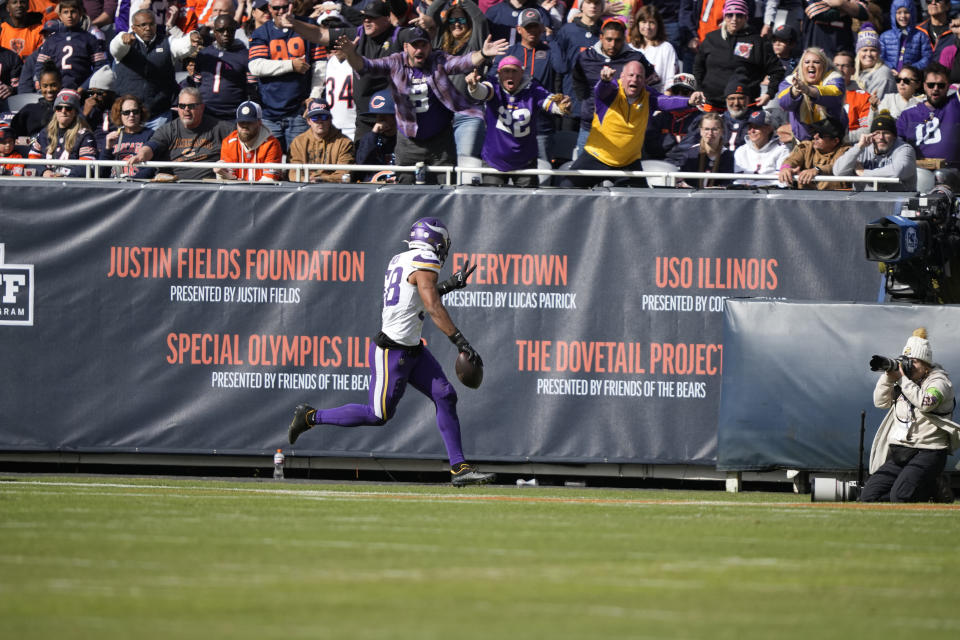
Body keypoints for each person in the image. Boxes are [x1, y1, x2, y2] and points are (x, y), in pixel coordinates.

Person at [287, 217, 496, 488]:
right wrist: (461, 342)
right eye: (443, 242)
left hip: (412, 349)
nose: (444, 249)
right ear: (434, 240)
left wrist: (449, 285)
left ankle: (459, 468)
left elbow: (418, 294)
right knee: (378, 415)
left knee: (445, 395)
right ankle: (310, 416)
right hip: (392, 352)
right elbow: (431, 306)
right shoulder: (425, 260)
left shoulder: (402, 258)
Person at [335, 26, 509, 184]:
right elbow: (366, 67)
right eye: (415, 45)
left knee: (446, 187)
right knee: (404, 190)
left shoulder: (438, 60)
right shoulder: (395, 62)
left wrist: (484, 54)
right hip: (408, 140)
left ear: (430, 47)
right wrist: (351, 54)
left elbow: (463, 62)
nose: (419, 50)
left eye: (423, 45)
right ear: (405, 47)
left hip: (440, 141)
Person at [560, 61, 704, 188]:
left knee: (640, 201)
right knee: (567, 188)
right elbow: (601, 90)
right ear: (621, 77)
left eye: (639, 76)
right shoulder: (611, 90)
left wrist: (688, 101)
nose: (634, 79)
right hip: (597, 157)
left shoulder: (648, 96)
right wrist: (604, 81)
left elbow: (666, 101)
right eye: (630, 75)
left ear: (644, 81)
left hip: (628, 162)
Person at [277, 0, 401, 143]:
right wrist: (294, 23)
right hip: (362, 118)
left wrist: (430, 27)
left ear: (387, 18)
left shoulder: (398, 36)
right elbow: (319, 34)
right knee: (364, 160)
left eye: (372, 17)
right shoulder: (357, 34)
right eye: (365, 17)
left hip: (393, 115)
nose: (367, 21)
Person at [861, 327, 959, 503]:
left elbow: (925, 403)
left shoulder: (940, 382)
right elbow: (880, 402)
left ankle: (931, 486)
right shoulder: (905, 381)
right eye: (907, 361)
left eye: (915, 362)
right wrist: (889, 377)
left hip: (930, 451)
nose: (909, 366)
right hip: (901, 451)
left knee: (899, 497)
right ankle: (926, 485)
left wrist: (902, 379)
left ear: (926, 365)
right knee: (868, 497)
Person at [466, 55, 571, 186]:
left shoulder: (533, 88)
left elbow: (549, 102)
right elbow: (482, 92)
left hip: (525, 161)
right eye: (506, 71)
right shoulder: (494, 85)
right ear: (499, 73)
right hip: (494, 160)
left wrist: (562, 106)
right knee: (492, 203)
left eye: (514, 71)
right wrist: (474, 87)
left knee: (526, 204)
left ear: (522, 73)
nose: (510, 75)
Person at [570, 18, 656, 154]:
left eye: (618, 40)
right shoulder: (585, 57)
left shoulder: (636, 58)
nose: (613, 44)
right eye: (609, 39)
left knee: (623, 172)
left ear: (624, 39)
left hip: (623, 128)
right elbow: (577, 79)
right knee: (584, 172)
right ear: (601, 37)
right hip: (591, 126)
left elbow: (652, 77)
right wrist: (585, 100)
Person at [492, 9, 563, 167]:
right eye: (527, 27)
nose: (532, 31)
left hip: (541, 125)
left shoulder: (549, 51)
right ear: (519, 29)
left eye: (535, 26)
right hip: (511, 125)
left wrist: (550, 38)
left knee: (543, 172)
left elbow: (561, 67)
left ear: (541, 28)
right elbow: (493, 79)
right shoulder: (508, 52)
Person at [248, 0, 319, 152]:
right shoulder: (261, 32)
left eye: (285, 7)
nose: (281, 11)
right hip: (269, 112)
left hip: (299, 111)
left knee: (298, 167)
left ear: (292, 5)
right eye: (276, 8)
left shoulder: (308, 26)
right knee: (270, 166)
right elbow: (256, 66)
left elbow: (320, 65)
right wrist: (291, 65)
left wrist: (315, 95)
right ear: (269, 8)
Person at [112, 9, 200, 130]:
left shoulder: (166, 42)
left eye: (151, 24)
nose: (148, 28)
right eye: (143, 25)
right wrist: (122, 40)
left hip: (159, 116)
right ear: (134, 28)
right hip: (129, 115)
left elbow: (182, 46)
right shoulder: (125, 43)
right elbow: (115, 48)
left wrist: (192, 37)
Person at [692, 0, 783, 112]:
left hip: (745, 109)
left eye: (739, 15)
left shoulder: (757, 42)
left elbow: (777, 70)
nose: (734, 19)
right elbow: (698, 68)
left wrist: (769, 94)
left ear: (746, 17)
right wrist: (698, 89)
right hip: (713, 106)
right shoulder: (711, 39)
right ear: (724, 16)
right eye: (729, 15)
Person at [427, 0, 490, 161]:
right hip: (440, 114)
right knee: (441, 162)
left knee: (464, 161)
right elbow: (431, 14)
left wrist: (463, 1)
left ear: (468, 22)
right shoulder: (438, 43)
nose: (457, 24)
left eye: (461, 20)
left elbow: (480, 20)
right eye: (452, 20)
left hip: (468, 114)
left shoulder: (475, 43)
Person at [126, 87, 235, 179]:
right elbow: (152, 146)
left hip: (207, 190)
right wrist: (141, 155)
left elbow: (244, 136)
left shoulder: (219, 127)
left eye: (191, 106)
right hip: (175, 187)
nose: (186, 110)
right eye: (182, 106)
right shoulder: (169, 129)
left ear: (202, 107)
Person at [832, 110, 916, 190]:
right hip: (863, 201)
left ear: (894, 136)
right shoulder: (861, 149)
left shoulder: (905, 149)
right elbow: (838, 172)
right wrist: (858, 147)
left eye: (886, 133)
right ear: (871, 135)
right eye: (877, 133)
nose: (881, 137)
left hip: (896, 201)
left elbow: (898, 171)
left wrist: (863, 173)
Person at [897, 62, 960, 169]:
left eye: (941, 85)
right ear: (924, 86)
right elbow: (895, 145)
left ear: (948, 86)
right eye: (931, 85)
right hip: (917, 173)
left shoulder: (955, 104)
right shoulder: (907, 115)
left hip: (951, 174)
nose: (935, 88)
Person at [33, 0, 108, 89]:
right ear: (60, 16)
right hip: (56, 91)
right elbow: (40, 67)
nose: (69, 16)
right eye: (65, 12)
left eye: (73, 12)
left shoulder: (90, 39)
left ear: (80, 14)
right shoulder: (51, 41)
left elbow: (100, 67)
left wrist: (84, 87)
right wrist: (49, 86)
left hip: (82, 91)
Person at [195, 15, 256, 121]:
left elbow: (252, 88)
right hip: (206, 113)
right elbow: (197, 82)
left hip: (232, 114)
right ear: (214, 31)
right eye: (221, 30)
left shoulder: (245, 55)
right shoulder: (204, 54)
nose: (226, 34)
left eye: (230, 30)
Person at [777, 46, 845, 141]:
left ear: (824, 65)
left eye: (816, 62)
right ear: (801, 65)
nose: (811, 65)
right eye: (807, 62)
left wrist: (808, 90)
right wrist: (795, 90)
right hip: (803, 143)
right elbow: (784, 103)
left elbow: (834, 94)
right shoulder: (791, 80)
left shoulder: (835, 78)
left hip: (831, 143)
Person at [28, 88, 98, 177]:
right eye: (59, 108)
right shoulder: (45, 133)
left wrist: (66, 178)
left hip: (71, 185)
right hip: (46, 183)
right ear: (55, 111)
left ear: (75, 112)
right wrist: (44, 172)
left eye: (68, 108)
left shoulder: (85, 136)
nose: (63, 111)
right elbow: (33, 157)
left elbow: (87, 165)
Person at [287, 98, 354, 182]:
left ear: (330, 120)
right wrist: (307, 180)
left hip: (334, 188)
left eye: (324, 117)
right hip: (304, 187)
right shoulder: (298, 142)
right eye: (315, 118)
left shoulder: (345, 143)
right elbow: (293, 173)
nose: (320, 122)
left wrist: (321, 179)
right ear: (308, 121)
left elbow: (344, 175)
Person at [215, 100, 283, 180]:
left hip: (263, 191)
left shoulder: (271, 144)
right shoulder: (229, 143)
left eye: (249, 122)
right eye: (241, 122)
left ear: (259, 122)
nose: (244, 126)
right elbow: (230, 179)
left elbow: (269, 180)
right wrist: (222, 174)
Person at [777, 116, 850, 189]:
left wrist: (817, 170)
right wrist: (786, 168)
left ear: (835, 141)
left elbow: (837, 166)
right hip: (804, 197)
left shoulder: (846, 151)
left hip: (835, 197)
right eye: (815, 132)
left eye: (821, 135)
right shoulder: (806, 147)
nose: (815, 137)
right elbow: (792, 160)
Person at [100, 93, 156, 178]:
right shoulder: (113, 137)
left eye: (135, 111)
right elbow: (101, 172)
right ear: (120, 115)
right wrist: (107, 149)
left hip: (138, 185)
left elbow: (151, 168)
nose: (131, 115)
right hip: (114, 184)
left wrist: (131, 181)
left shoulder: (151, 135)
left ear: (141, 113)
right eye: (126, 112)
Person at [628, 4, 676, 94]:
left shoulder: (666, 48)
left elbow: (670, 84)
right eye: (643, 22)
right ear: (637, 23)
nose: (647, 27)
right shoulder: (630, 48)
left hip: (657, 100)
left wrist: (664, 105)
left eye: (652, 22)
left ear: (658, 25)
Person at [733, 108, 789, 186]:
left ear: (769, 129)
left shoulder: (782, 150)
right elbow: (738, 181)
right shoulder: (741, 151)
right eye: (750, 127)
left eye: (756, 127)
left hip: (772, 194)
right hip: (746, 194)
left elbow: (781, 182)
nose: (752, 131)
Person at [678, 112, 735, 187]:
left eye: (715, 129)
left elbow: (726, 184)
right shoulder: (691, 153)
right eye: (706, 129)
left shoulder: (727, 156)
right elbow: (684, 181)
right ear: (701, 131)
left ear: (721, 131)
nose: (710, 133)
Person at [353, 88, 397, 182]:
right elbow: (361, 163)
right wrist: (374, 134)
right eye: (377, 115)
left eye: (385, 115)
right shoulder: (369, 138)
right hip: (372, 188)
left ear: (396, 116)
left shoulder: (405, 140)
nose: (380, 119)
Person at [800, 0, 868, 58]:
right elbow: (815, 12)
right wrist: (848, 8)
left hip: (843, 51)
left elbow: (864, 11)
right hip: (815, 50)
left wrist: (841, 3)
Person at [879, 0, 932, 72]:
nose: (903, 16)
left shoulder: (921, 36)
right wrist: (890, 68)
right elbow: (880, 58)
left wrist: (910, 70)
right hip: (890, 76)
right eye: (899, 12)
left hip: (911, 77)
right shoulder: (884, 37)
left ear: (912, 14)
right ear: (893, 14)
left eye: (906, 12)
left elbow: (927, 58)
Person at [831, 49, 872, 142]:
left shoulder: (863, 97)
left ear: (853, 70)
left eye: (845, 66)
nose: (839, 69)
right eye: (836, 65)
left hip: (850, 144)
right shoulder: (819, 93)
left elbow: (866, 129)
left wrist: (843, 138)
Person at [10, 60, 59, 136]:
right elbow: (12, 136)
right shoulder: (29, 110)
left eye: (53, 85)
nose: (49, 90)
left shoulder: (67, 110)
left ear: (60, 84)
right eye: (45, 86)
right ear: (40, 86)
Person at [853, 24, 896, 105]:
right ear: (858, 53)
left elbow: (877, 106)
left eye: (873, 50)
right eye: (865, 50)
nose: (868, 54)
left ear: (879, 53)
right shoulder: (855, 73)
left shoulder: (883, 74)